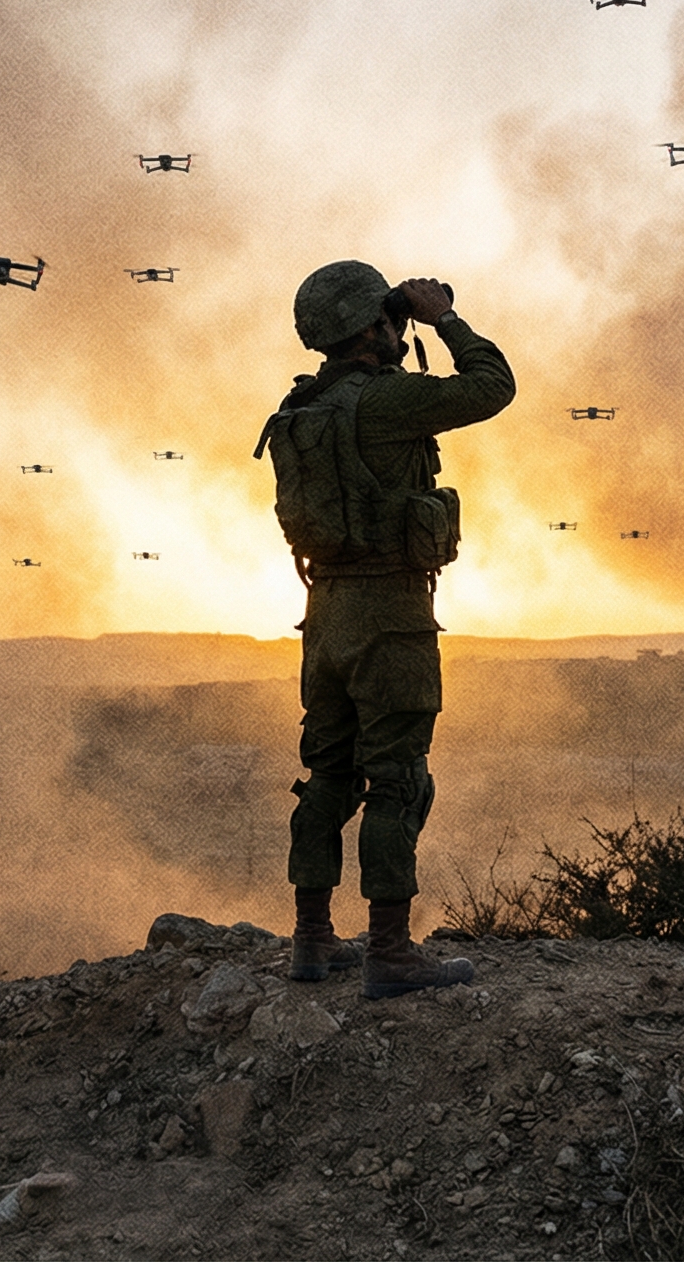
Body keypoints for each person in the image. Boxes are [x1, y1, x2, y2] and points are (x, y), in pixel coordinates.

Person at [269, 261, 514, 999]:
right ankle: (390, 951)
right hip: (390, 617)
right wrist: (442, 317)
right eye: (390, 321)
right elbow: (492, 387)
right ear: (372, 328)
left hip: (325, 618)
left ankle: (312, 938)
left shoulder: (300, 413)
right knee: (398, 780)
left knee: (328, 775)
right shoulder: (384, 403)